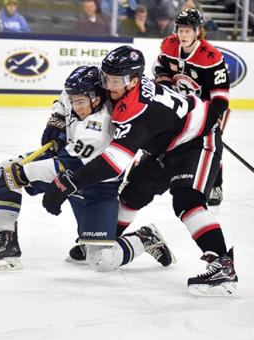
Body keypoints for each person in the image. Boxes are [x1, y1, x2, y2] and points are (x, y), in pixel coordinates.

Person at [41, 46, 237, 296]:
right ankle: (116, 239)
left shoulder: (134, 108)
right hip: (164, 146)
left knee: (187, 201)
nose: (108, 85)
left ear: (133, 81)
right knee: (132, 195)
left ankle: (222, 263)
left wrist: (69, 183)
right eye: (106, 77)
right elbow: (73, 88)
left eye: (115, 80)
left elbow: (114, 161)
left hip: (196, 140)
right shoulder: (117, 84)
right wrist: (57, 116)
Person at [0, 66, 174, 272]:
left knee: (101, 260)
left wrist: (18, 174)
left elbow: (65, 167)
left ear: (96, 99)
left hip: (95, 187)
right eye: (73, 101)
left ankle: (145, 238)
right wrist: (58, 117)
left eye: (79, 102)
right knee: (7, 169)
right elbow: (63, 98)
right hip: (66, 165)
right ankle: (7, 244)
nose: (75, 107)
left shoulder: (100, 127)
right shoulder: (80, 93)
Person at [154, 8, 229, 206]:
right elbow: (160, 67)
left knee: (211, 144)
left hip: (210, 107)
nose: (183, 34)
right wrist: (165, 84)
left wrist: (210, 120)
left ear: (198, 31)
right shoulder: (169, 45)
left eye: (188, 30)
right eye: (180, 30)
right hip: (183, 105)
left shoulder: (210, 56)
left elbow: (221, 96)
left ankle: (216, 185)